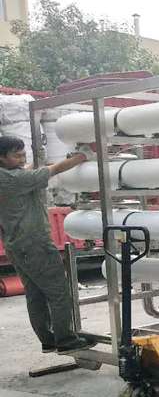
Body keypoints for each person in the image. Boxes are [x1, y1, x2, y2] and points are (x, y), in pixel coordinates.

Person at [0, 136, 97, 354]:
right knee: (59, 292)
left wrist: (42, 160)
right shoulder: (14, 178)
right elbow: (53, 170)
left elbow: (31, 171)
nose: (22, 159)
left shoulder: (8, 176)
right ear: (2, 158)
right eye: (16, 155)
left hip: (17, 245)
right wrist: (82, 156)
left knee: (35, 293)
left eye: (23, 154)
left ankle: (48, 339)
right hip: (35, 244)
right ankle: (65, 339)